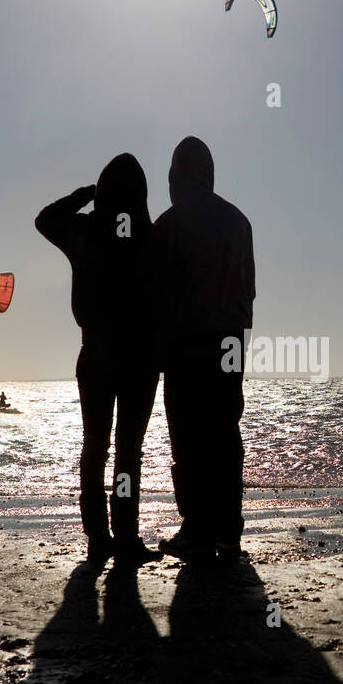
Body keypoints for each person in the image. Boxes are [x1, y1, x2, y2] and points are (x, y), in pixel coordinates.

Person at [35, 154, 159, 568]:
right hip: (141, 356)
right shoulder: (151, 236)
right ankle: (124, 535)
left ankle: (97, 536)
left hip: (98, 352)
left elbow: (45, 219)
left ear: (102, 191)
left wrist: (84, 195)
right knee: (128, 452)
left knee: (96, 447)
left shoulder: (85, 230)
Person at [154, 137, 255, 560]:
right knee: (225, 433)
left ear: (177, 176)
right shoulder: (238, 221)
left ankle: (196, 527)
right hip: (228, 339)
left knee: (188, 437)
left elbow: (155, 296)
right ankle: (229, 530)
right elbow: (247, 294)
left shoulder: (168, 224)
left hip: (184, 344)